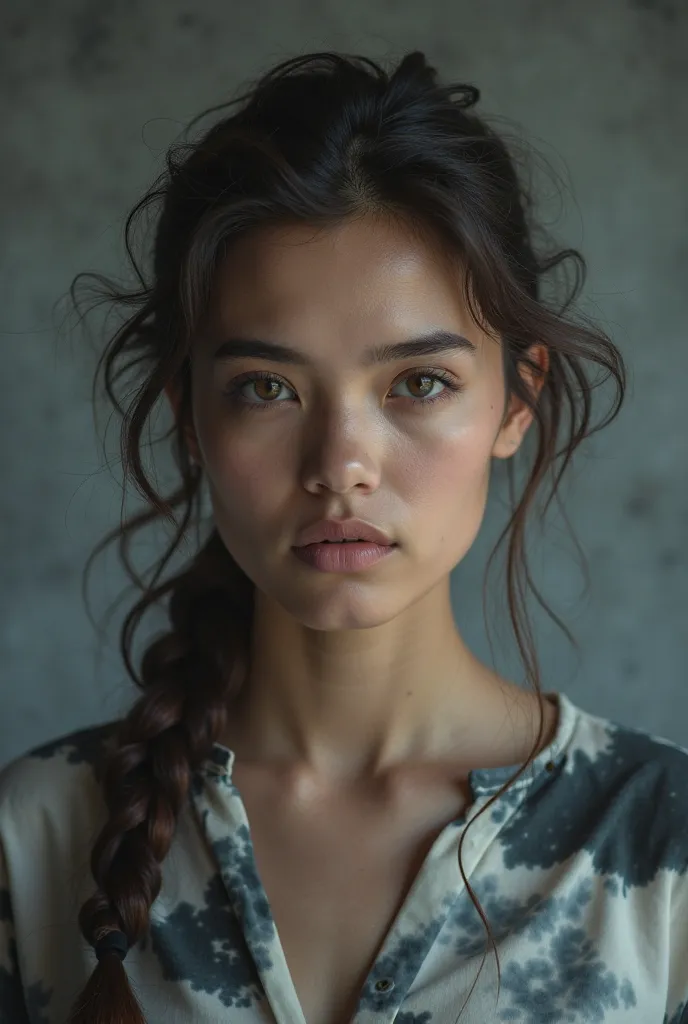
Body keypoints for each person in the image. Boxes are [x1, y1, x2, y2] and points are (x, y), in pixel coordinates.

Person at [0, 48, 686, 1024]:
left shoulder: (662, 845)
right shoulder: (35, 839)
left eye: (418, 382)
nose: (340, 463)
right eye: (266, 388)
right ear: (189, 415)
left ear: (515, 398)